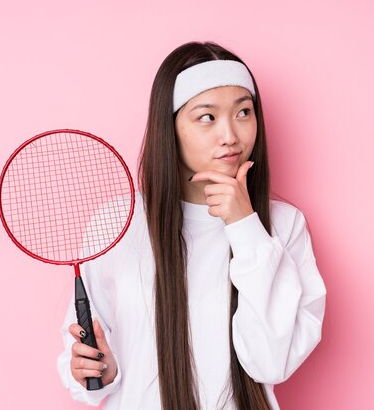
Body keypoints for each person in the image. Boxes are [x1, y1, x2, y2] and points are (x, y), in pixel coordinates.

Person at [57, 41, 327, 410]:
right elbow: (90, 359)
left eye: (244, 112)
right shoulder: (118, 223)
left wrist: (245, 226)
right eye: (207, 117)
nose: (230, 135)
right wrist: (101, 371)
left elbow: (270, 362)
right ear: (170, 128)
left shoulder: (283, 225)